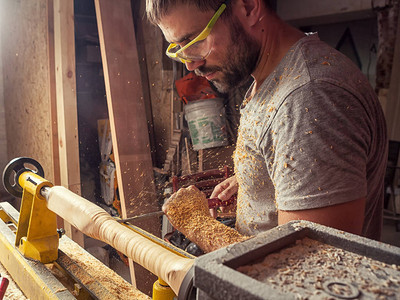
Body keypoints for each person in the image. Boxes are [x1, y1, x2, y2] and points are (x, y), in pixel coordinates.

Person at [146, 0, 388, 252]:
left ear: (249, 8)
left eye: (195, 41)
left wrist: (196, 224)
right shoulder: (272, 78)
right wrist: (255, 181)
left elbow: (308, 268)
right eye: (179, 48)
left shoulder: (310, 98)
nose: (190, 64)